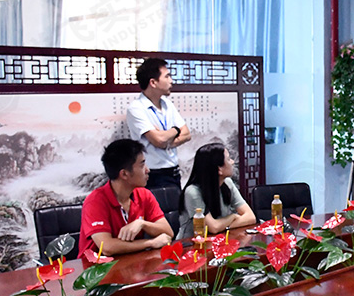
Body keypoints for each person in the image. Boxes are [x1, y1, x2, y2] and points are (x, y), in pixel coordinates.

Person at [78, 139, 174, 257]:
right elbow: (107, 247)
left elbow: (168, 232)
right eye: (142, 165)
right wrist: (150, 243)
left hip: (133, 262)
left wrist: (143, 224)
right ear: (124, 174)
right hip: (97, 267)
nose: (147, 170)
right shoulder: (95, 201)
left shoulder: (144, 194)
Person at [126, 58, 191, 189]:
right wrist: (176, 130)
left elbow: (187, 134)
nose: (171, 81)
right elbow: (159, 140)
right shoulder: (136, 108)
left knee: (176, 202)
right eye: (167, 76)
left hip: (174, 171)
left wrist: (167, 140)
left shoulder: (167, 104)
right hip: (153, 175)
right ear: (153, 82)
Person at [177, 142, 256, 239]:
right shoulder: (193, 192)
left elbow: (250, 217)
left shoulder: (227, 183)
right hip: (191, 243)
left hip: (219, 239)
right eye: (228, 159)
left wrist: (224, 226)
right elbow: (213, 228)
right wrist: (233, 217)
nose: (232, 162)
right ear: (219, 169)